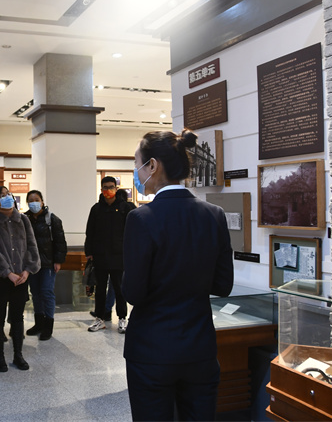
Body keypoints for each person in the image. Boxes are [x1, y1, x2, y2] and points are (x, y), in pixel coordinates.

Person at [122, 129, 234, 421]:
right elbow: (223, 285)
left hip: (151, 349)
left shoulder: (141, 218)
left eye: (137, 164)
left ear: (153, 165)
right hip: (200, 348)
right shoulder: (215, 214)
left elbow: (133, 292)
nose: (136, 172)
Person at [0, 186, 40, 372]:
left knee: (17, 317)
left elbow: (32, 245)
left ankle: (18, 355)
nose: (8, 197)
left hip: (21, 277)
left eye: (8, 194)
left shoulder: (23, 219)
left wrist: (27, 270)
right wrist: (8, 272)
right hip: (0, 278)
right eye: (3, 196)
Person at [84, 176, 133, 334]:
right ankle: (100, 318)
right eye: (105, 187)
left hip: (119, 256)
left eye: (111, 187)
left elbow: (132, 233)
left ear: (116, 189)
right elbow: (90, 232)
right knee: (100, 290)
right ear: (101, 189)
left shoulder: (125, 208)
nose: (108, 190)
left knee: (119, 289)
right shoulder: (96, 209)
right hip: (100, 256)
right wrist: (89, 252)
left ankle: (122, 318)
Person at [24, 190, 67, 341]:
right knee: (35, 293)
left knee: (46, 292)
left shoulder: (52, 219)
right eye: (31, 200)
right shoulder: (25, 219)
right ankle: (39, 323)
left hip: (48, 263)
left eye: (37, 200)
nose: (34, 203)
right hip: (32, 264)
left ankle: (48, 326)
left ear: (42, 202)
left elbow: (60, 242)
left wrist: (58, 261)